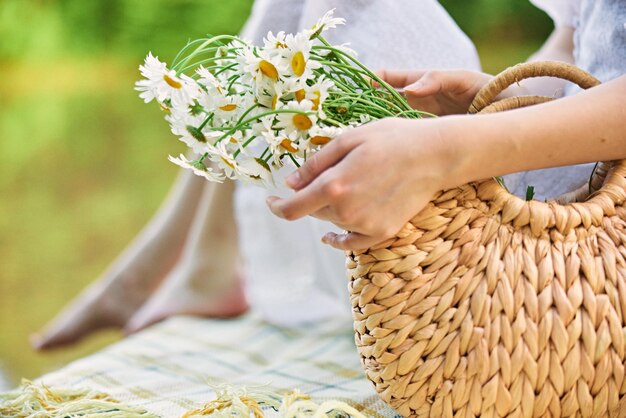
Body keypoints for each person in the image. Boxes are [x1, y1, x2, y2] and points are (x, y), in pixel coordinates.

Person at [32, 0, 482, 349]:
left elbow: (558, 87)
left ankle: (195, 265)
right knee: (285, 27)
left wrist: (474, 126)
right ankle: (198, 262)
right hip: (499, 116)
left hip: (497, 210)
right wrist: (493, 97)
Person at [267, 0, 626, 251]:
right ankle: (218, 247)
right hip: (555, 148)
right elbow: (574, 49)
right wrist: (504, 99)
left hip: (602, 221)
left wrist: (451, 147)